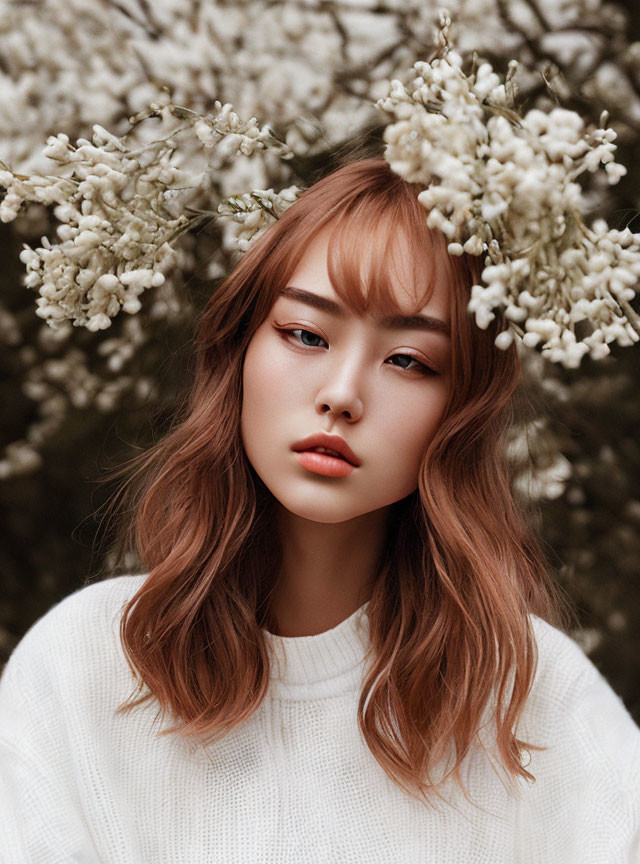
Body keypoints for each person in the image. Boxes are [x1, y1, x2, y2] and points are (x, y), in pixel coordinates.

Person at [0, 157, 639, 863]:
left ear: (462, 412)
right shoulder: (84, 667)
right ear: (240, 350)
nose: (342, 393)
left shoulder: (532, 697)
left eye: (408, 360)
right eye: (306, 334)